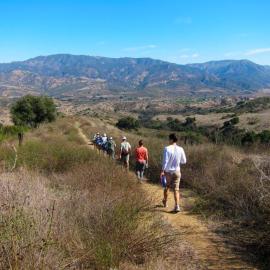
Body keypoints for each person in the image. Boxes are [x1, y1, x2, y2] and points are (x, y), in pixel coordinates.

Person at [161, 133, 186, 213]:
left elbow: (165, 161)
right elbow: (184, 161)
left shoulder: (167, 148)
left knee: (167, 187)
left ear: (171, 139)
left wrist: (162, 171)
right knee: (176, 189)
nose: (168, 140)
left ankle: (165, 202)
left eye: (169, 139)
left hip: (168, 172)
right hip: (177, 171)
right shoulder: (181, 149)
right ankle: (177, 206)